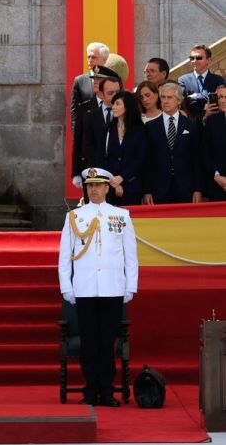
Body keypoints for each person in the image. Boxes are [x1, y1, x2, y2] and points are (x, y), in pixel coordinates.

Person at [58, 167, 138, 407]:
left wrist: (130, 286)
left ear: (107, 188)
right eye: (89, 186)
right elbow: (64, 256)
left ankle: (107, 390)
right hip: (85, 288)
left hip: (112, 287)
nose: (93, 189)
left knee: (107, 342)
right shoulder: (74, 216)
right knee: (89, 342)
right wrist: (66, 287)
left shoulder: (121, 216)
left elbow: (130, 256)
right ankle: (90, 390)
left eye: (98, 185)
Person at [143, 82, 203, 204]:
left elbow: (196, 159)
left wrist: (198, 189)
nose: (165, 101)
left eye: (170, 97)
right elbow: (147, 161)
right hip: (159, 189)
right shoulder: (150, 127)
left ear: (179, 101)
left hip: (186, 188)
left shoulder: (191, 125)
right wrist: (147, 191)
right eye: (163, 97)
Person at [102, 92, 146, 206]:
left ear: (127, 106)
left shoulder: (140, 130)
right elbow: (104, 156)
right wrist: (114, 182)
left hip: (132, 186)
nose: (113, 107)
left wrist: (122, 177)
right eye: (113, 104)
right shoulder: (108, 128)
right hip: (110, 187)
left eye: (117, 104)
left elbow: (140, 159)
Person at [77, 75, 121, 177]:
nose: (115, 96)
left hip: (121, 177)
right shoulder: (90, 116)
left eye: (118, 93)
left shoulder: (127, 115)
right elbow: (87, 147)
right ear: (101, 94)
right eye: (110, 93)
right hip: (97, 173)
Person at [178, 45, 225, 119]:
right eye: (192, 58)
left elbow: (219, 99)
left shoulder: (219, 80)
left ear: (208, 60)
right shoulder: (183, 80)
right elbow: (181, 100)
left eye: (199, 58)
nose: (194, 61)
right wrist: (208, 95)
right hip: (191, 123)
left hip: (213, 122)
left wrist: (195, 96)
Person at [70, 42, 110, 129]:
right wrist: (77, 138)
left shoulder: (113, 80)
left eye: (94, 57)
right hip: (87, 133)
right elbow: (74, 113)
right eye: (88, 57)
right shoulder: (79, 81)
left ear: (104, 59)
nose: (90, 60)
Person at [203, 84, 226, 201]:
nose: (222, 101)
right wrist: (216, 176)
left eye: (225, 97)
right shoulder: (212, 121)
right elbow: (205, 152)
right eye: (220, 97)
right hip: (217, 186)